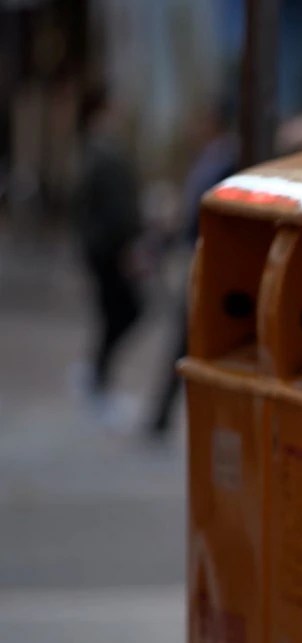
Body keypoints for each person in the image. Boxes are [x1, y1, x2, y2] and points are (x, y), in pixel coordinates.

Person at [144, 100, 238, 440]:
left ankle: (165, 416)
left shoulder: (227, 157)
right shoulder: (207, 157)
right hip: (194, 254)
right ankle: (162, 416)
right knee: (184, 336)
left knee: (189, 335)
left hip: (210, 260)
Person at [72, 88, 146, 425]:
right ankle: (99, 379)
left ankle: (97, 375)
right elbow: (116, 210)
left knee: (117, 313)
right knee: (125, 310)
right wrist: (129, 246)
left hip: (105, 249)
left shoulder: (98, 152)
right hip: (111, 250)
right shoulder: (103, 154)